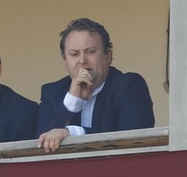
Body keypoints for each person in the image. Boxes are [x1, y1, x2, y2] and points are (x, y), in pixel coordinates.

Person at [37, 18, 155, 152]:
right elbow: (42, 143)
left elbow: (133, 139)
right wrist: (72, 102)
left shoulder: (129, 86)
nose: (82, 60)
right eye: (74, 54)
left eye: (91, 52)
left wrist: (74, 133)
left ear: (108, 55)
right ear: (65, 60)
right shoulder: (53, 92)